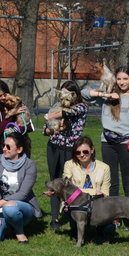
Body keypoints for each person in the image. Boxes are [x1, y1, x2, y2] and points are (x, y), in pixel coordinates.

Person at [82, 66, 129, 199]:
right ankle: (113, 218)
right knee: (111, 182)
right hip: (108, 143)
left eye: (125, 78)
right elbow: (84, 93)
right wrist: (105, 94)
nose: (122, 82)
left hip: (128, 143)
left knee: (128, 183)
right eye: (118, 79)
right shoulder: (107, 97)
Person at [42, 81, 87, 230]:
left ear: (74, 94)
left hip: (70, 149)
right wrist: (52, 129)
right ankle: (55, 218)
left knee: (69, 182)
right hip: (54, 147)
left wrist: (49, 115)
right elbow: (45, 129)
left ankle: (72, 214)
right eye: (62, 94)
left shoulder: (81, 107)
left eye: (67, 94)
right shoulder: (56, 106)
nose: (63, 97)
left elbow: (67, 112)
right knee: (55, 181)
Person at [0, 131, 42, 243]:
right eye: (3, 145)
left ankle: (19, 231)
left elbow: (23, 193)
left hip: (22, 207)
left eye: (8, 147)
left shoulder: (29, 165)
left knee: (9, 207)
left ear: (19, 150)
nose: (4, 148)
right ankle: (8, 227)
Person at [0, 80, 33, 156]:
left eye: (5, 94)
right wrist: (11, 114)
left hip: (21, 146)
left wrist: (16, 130)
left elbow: (30, 126)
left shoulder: (15, 102)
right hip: (3, 148)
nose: (3, 98)